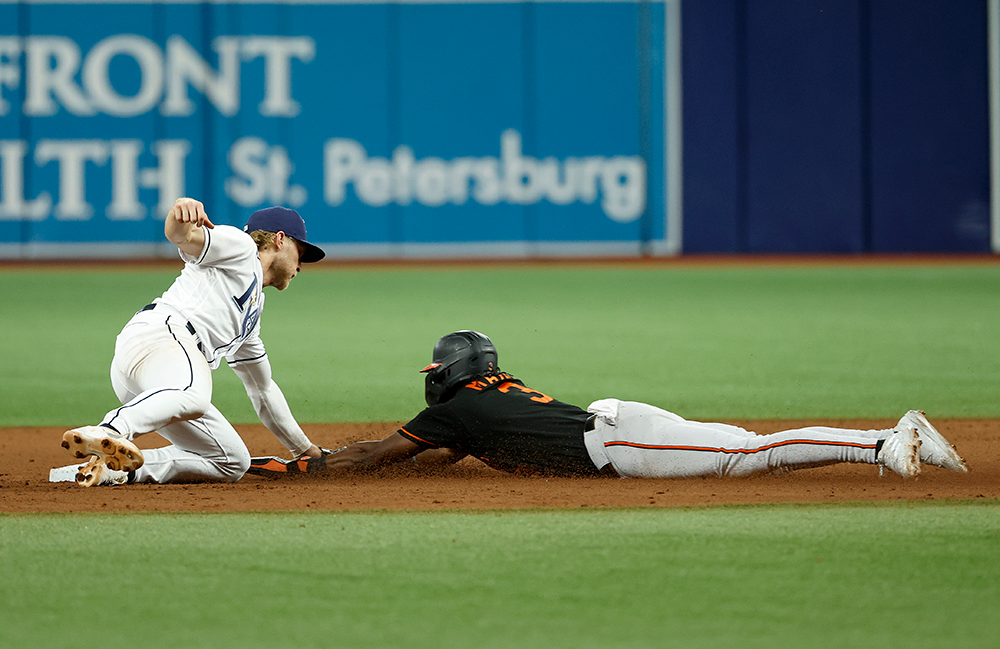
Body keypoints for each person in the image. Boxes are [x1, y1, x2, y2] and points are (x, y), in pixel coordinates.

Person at [248, 330, 969, 480]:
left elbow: (385, 452)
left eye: (437, 363)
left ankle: (883, 441)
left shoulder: (459, 404)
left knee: (750, 454)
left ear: (456, 370)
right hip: (622, 425)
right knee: (748, 446)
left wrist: (315, 463)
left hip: (621, 444)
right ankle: (886, 437)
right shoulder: (481, 400)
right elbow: (429, 457)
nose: (430, 374)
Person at [51, 197, 328, 486]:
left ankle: (110, 471)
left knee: (232, 461)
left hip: (158, 378)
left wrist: (305, 451)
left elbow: (263, 389)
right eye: (301, 251)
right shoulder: (242, 248)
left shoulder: (251, 315)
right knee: (195, 395)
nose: (301, 265)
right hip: (162, 336)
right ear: (279, 240)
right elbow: (182, 236)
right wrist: (179, 212)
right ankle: (109, 430)